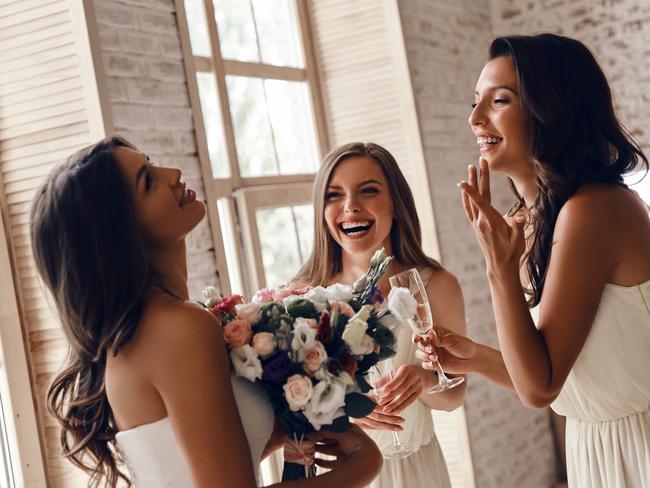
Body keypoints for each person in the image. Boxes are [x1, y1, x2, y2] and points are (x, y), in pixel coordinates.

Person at [31, 136, 383, 488]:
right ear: (118, 231)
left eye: (152, 162)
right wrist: (364, 466)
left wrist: (280, 433)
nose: (173, 173)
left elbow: (192, 470)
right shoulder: (178, 327)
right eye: (149, 181)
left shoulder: (144, 330)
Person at [416, 34, 650, 487]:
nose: (474, 118)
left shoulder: (594, 210)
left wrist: (498, 268)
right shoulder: (532, 219)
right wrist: (477, 358)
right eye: (474, 102)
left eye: (499, 100)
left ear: (552, 110)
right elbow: (559, 375)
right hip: (595, 446)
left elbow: (539, 388)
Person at [294, 142, 467, 487]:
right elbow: (291, 407)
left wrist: (424, 382)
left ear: (397, 205)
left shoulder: (438, 285)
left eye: (368, 191)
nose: (350, 207)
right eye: (334, 195)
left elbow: (454, 396)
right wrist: (343, 408)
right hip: (345, 475)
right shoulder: (302, 297)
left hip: (420, 470)